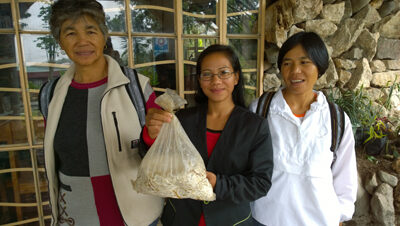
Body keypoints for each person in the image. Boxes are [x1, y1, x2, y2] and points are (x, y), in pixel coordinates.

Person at [41, 0, 163, 225]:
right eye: (70, 33)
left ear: (104, 36)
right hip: (76, 215)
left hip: (135, 215)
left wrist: (152, 136)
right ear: (60, 41)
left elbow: (161, 153)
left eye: (90, 31)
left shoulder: (136, 86)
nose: (82, 41)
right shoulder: (50, 94)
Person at [142, 44, 274, 226]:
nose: (216, 81)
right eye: (207, 74)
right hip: (181, 219)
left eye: (224, 72)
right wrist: (150, 136)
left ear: (236, 77)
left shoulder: (254, 126)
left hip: (231, 220)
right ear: (199, 80)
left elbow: (260, 183)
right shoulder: (181, 120)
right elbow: (155, 162)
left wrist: (218, 184)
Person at [250, 32, 358, 226]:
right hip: (266, 218)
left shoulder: (336, 119)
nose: (295, 71)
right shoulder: (261, 109)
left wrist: (340, 216)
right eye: (287, 63)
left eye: (304, 62)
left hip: (320, 220)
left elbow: (345, 177)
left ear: (320, 66)